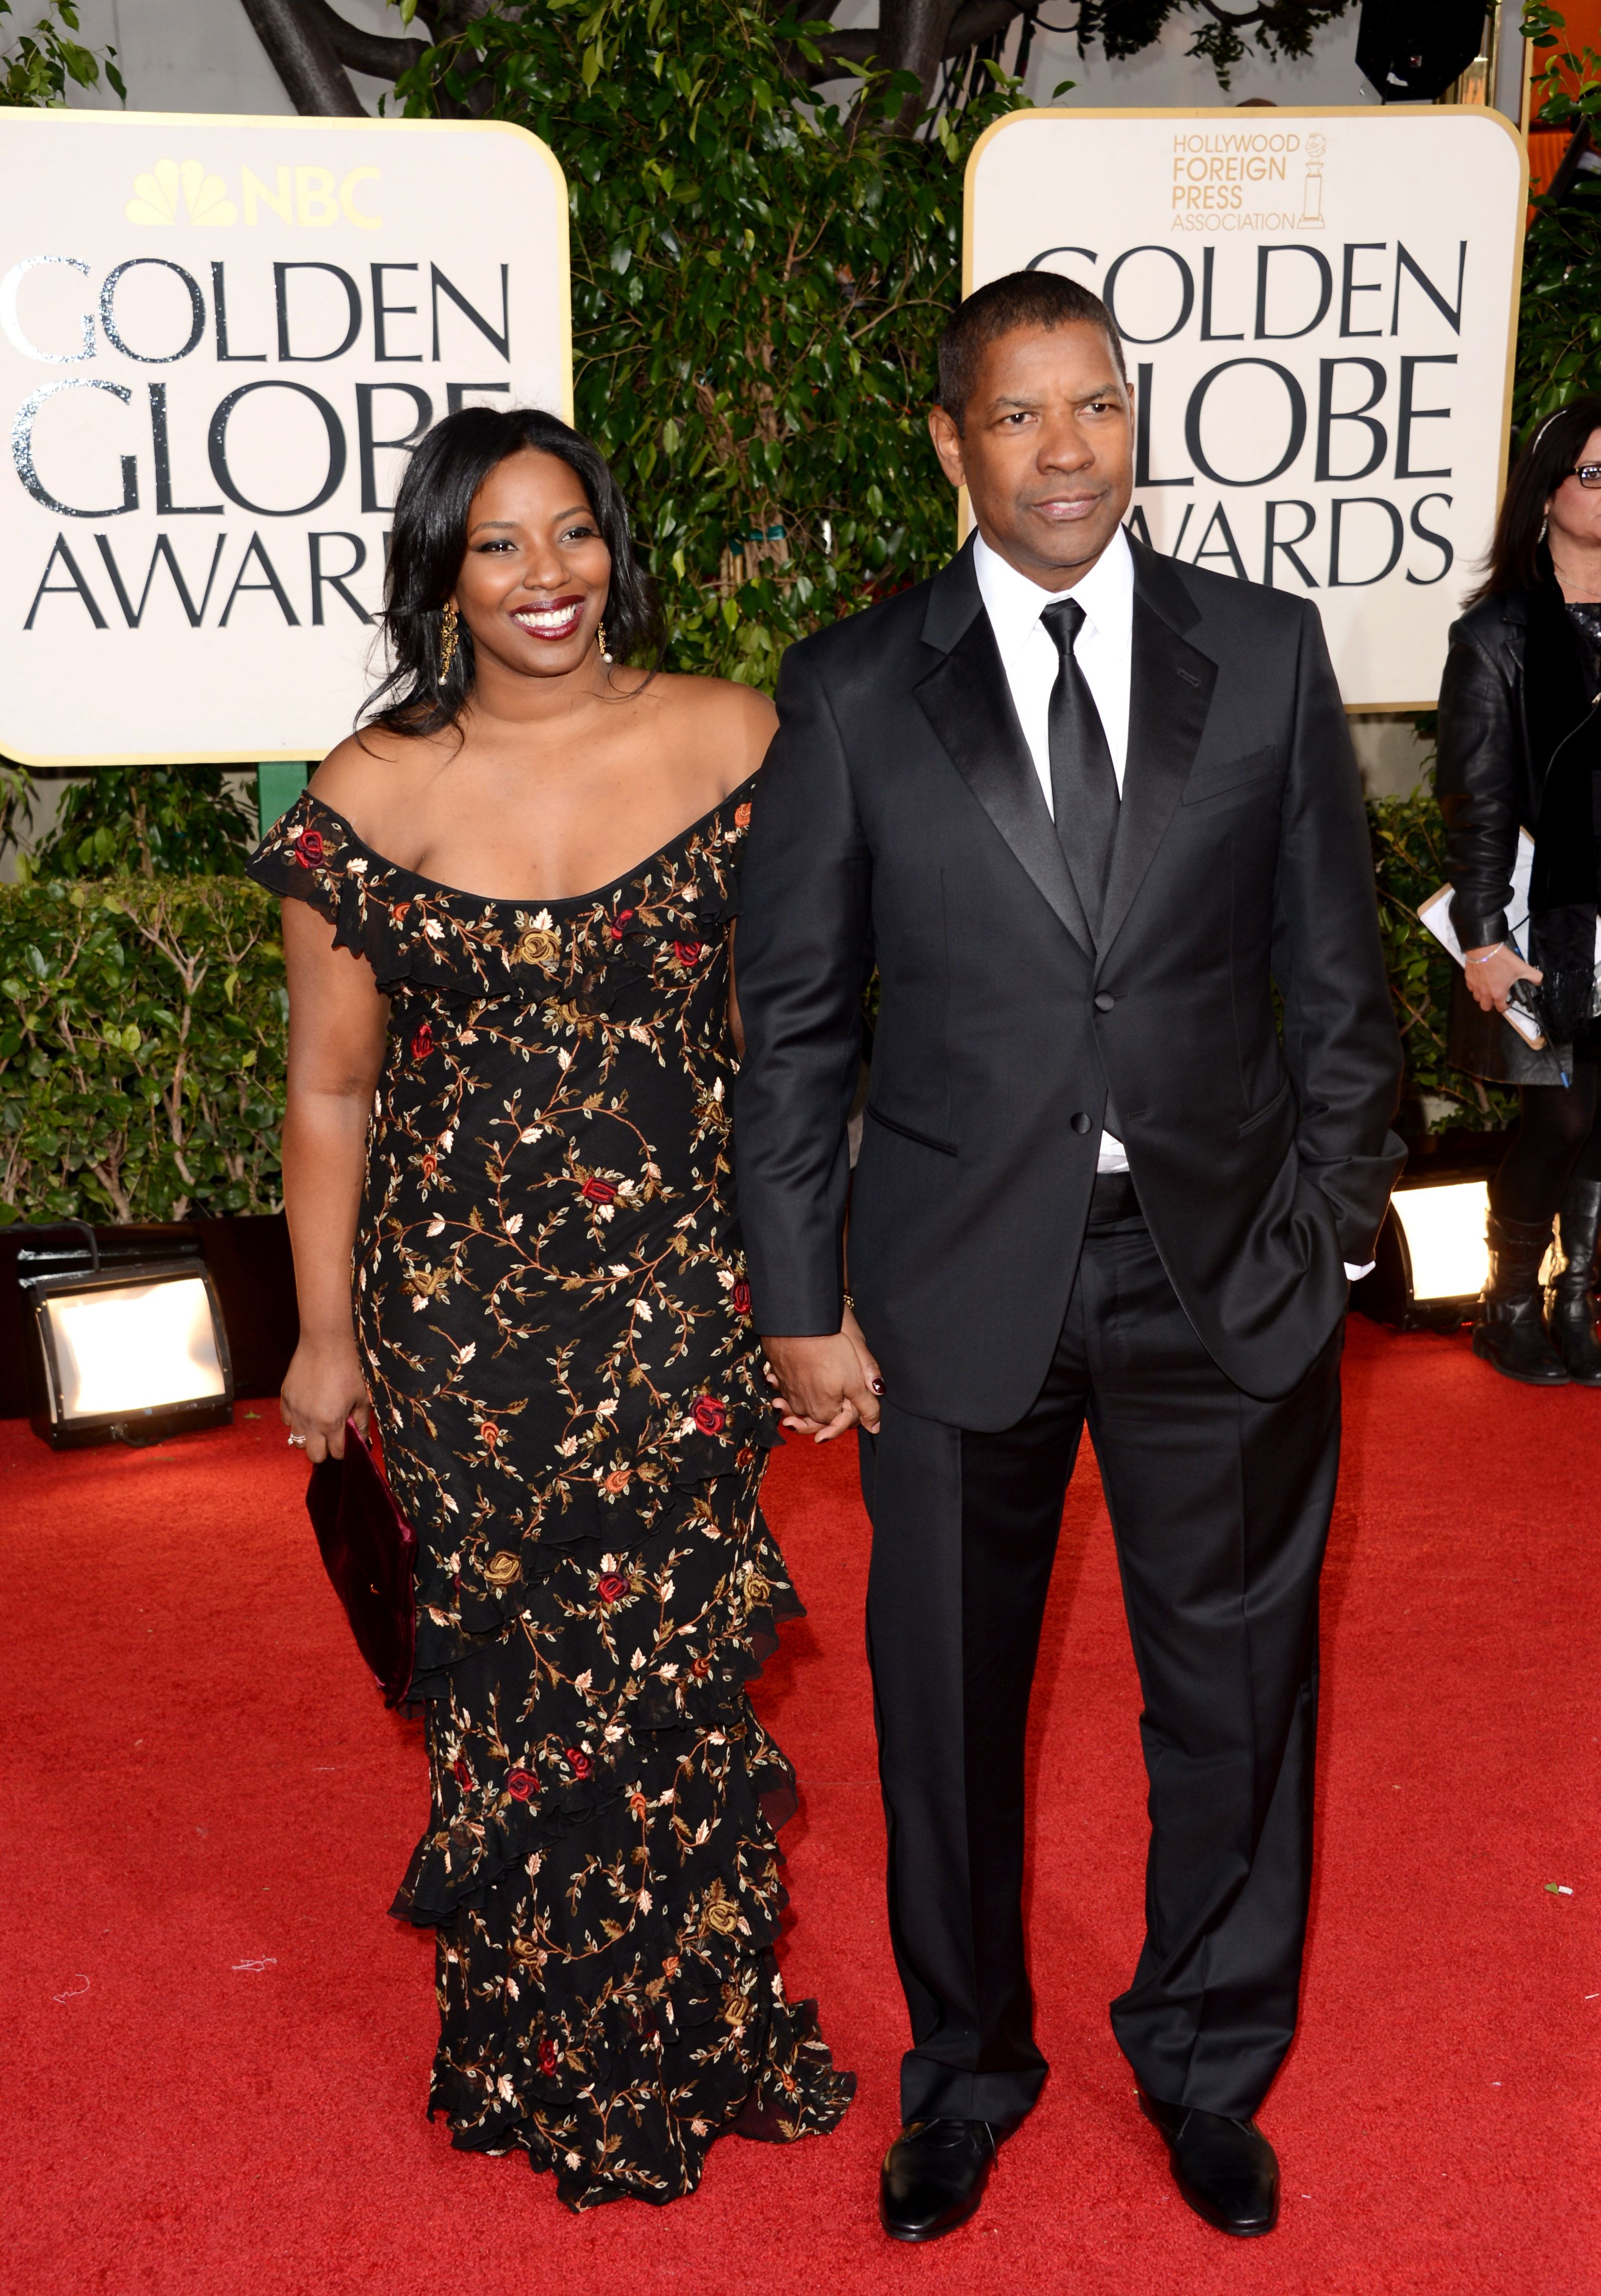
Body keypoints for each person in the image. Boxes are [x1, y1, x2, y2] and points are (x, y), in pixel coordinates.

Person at [732, 271, 1404, 2244]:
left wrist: (1330, 1220)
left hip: (1227, 1271)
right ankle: (965, 2073)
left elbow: (1335, 973)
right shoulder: (853, 687)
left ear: (1135, 419)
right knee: (943, 1710)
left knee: (1237, 1699)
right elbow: (798, 1026)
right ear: (954, 442)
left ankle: (1205, 2065)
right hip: (952, 1286)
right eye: (1020, 415)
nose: (1065, 451)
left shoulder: (1262, 653)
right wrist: (798, 1299)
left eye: (1096, 405)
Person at [249, 405, 852, 2211]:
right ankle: (540, 2047)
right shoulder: (367, 790)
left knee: (668, 1677)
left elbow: (788, 1055)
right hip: (462, 1327)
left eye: (572, 532)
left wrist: (814, 1288)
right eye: (497, 543)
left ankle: (699, 2031)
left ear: (614, 548)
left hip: (680, 1302)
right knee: (517, 1688)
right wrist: (326, 1335)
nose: (545, 575)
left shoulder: (734, 737)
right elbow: (330, 1090)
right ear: (441, 574)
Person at [1437, 396, 1601, 1386]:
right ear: (1546, 494)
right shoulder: (1497, 634)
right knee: (1564, 1118)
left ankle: (1575, 1302)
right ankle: (1506, 1307)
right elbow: (1478, 799)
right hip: (1550, 922)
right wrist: (1484, 938)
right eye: (1595, 474)